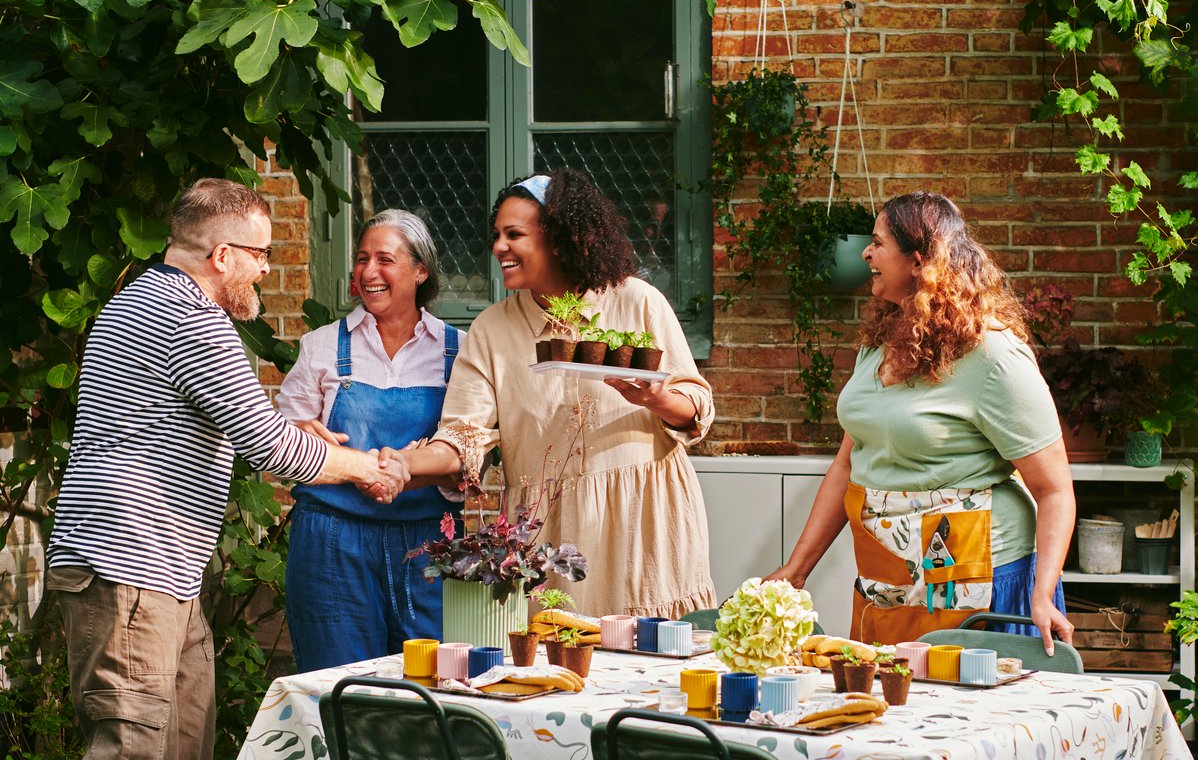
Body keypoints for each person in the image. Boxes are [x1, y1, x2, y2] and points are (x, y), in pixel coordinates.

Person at [41, 178, 408, 760]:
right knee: (133, 755)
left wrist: (299, 435)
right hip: (128, 566)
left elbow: (221, 422)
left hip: (160, 569)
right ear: (222, 256)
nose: (265, 269)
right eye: (261, 255)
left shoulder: (149, 301)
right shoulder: (192, 318)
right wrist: (367, 467)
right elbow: (271, 448)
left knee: (182, 741)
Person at [399, 168, 715, 621]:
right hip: (549, 541)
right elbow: (463, 436)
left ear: (560, 238)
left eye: (514, 235)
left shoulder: (637, 301)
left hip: (644, 528)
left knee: (655, 670)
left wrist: (655, 399)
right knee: (553, 668)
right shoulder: (492, 330)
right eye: (496, 235)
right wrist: (402, 462)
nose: (498, 248)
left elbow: (695, 409)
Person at [769, 192, 1075, 652]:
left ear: (919, 261)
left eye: (877, 243)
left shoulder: (992, 355)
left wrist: (1043, 592)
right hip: (886, 576)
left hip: (979, 578)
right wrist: (795, 571)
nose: (865, 254)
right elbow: (847, 466)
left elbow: (1054, 488)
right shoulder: (878, 344)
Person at [276, 210, 463, 671]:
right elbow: (277, 445)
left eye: (385, 259)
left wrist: (407, 473)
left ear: (421, 271)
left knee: (435, 686)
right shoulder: (321, 346)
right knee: (337, 683)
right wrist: (299, 434)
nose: (369, 272)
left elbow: (474, 455)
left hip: (429, 547)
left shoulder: (458, 351)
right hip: (332, 542)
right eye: (362, 259)